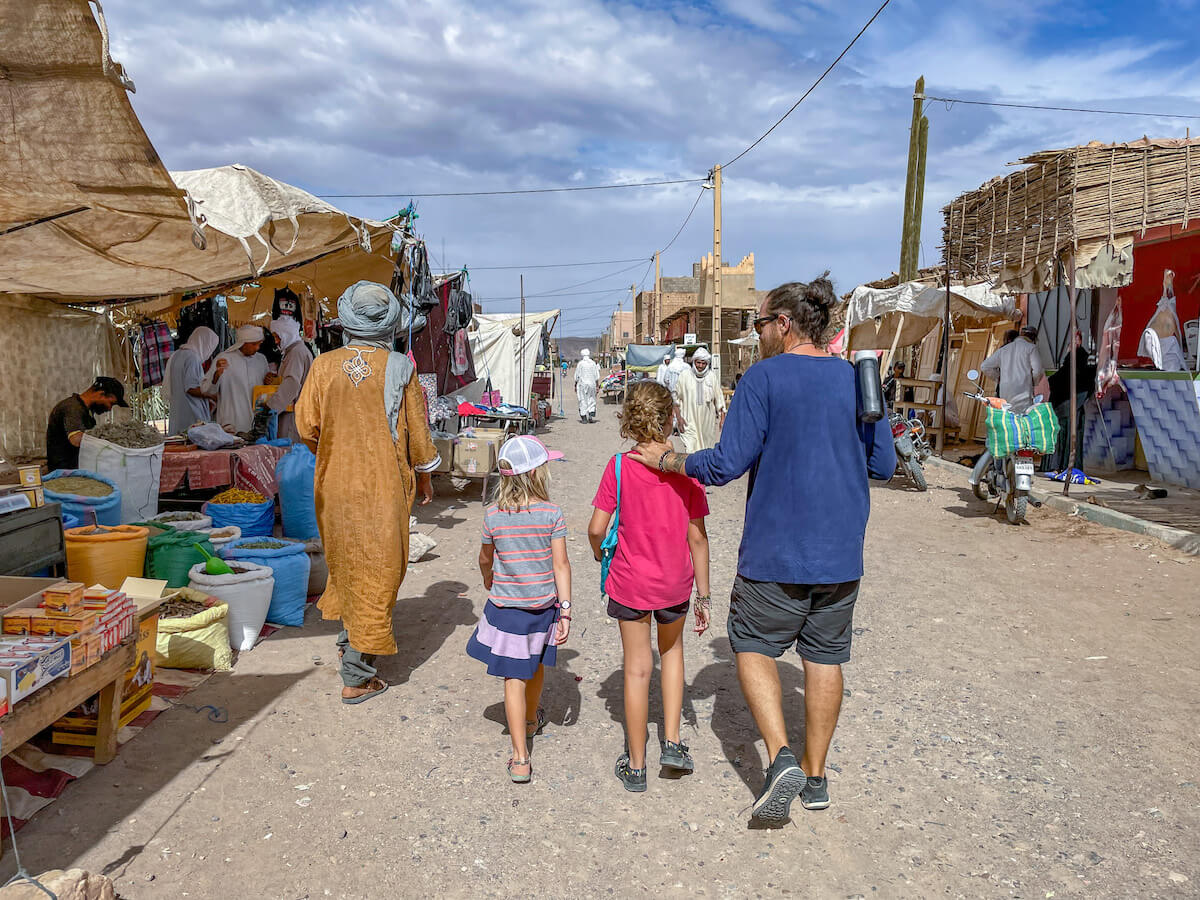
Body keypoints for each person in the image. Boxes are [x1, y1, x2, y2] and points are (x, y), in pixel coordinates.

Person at [629, 277, 895, 824]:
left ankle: (778, 758)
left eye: (757, 323)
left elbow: (725, 465)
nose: (757, 334)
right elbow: (883, 466)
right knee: (825, 657)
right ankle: (816, 778)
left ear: (783, 324)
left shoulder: (763, 378)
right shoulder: (857, 380)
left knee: (749, 642)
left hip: (777, 550)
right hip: (842, 552)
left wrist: (673, 462)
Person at [294, 281, 441, 705]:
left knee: (347, 559)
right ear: (388, 321)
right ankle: (357, 674)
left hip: (335, 485)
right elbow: (418, 435)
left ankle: (349, 639)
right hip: (384, 487)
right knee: (379, 569)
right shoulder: (400, 367)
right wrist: (427, 476)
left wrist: (337, 451)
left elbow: (307, 427)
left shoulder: (323, 366)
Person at [588, 382, 711, 792]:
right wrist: (705, 596)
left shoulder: (619, 467)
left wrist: (599, 554)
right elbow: (698, 537)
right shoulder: (686, 470)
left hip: (630, 583)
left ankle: (637, 766)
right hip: (675, 582)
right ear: (670, 416)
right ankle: (673, 744)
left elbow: (596, 528)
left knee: (638, 669)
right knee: (672, 654)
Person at [467, 436, 572, 783]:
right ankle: (528, 722)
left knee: (514, 677)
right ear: (537, 474)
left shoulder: (493, 516)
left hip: (508, 610)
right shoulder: (551, 514)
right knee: (536, 663)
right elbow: (561, 566)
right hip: (542, 607)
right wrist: (566, 608)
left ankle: (519, 756)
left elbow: (485, 557)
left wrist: (488, 576)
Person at [45, 377, 129, 471]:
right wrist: (110, 441)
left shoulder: (85, 409)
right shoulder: (73, 408)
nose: (109, 409)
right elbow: (76, 440)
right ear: (101, 394)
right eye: (111, 403)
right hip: (65, 474)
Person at [204, 324, 269, 432]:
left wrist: (269, 380)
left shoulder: (261, 360)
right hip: (231, 424)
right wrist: (216, 375)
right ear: (243, 343)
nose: (257, 348)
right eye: (253, 344)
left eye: (259, 344)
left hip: (257, 424)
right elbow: (208, 390)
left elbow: (265, 390)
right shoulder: (223, 358)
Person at [1047, 332, 1096, 472]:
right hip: (1074, 405)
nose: (1071, 344)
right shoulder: (1078, 358)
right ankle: (1068, 466)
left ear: (1079, 341)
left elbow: (1065, 377)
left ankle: (1061, 466)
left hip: (1068, 405)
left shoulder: (1078, 358)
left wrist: (1049, 381)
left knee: (1065, 437)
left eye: (1074, 340)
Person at [262, 317, 313, 443]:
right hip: (294, 412)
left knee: (289, 453)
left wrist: (270, 407)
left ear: (286, 335)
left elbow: (292, 384)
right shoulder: (293, 351)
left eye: (277, 337)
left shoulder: (296, 353)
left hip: (293, 415)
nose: (276, 341)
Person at [163, 326, 219, 435]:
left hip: (178, 412)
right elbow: (191, 388)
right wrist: (212, 395)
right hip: (192, 413)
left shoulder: (177, 354)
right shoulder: (192, 358)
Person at [979, 325, 1046, 414]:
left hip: (1005, 393)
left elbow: (985, 366)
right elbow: (1037, 371)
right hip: (1023, 393)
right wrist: (1032, 382)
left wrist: (998, 377)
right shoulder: (1031, 348)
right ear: (1033, 338)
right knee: (1022, 422)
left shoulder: (1004, 349)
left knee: (1007, 420)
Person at [671, 346, 726, 453]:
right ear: (694, 362)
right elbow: (676, 399)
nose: (700, 366)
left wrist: (722, 419)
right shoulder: (685, 376)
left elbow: (719, 398)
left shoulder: (711, 377)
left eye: (703, 363)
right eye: (698, 362)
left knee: (705, 450)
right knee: (691, 449)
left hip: (707, 423)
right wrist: (679, 418)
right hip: (688, 421)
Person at [575, 348, 601, 424]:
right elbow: (596, 376)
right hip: (592, 384)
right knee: (591, 398)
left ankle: (584, 418)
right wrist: (597, 386)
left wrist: (575, 384)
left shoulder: (580, 363)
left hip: (582, 384)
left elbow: (577, 376)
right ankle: (590, 415)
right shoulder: (593, 363)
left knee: (583, 399)